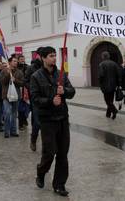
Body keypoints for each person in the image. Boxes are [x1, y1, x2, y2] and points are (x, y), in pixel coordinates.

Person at [30, 46, 75, 197]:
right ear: (42, 58)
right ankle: (41, 172)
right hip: (47, 120)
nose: (54, 58)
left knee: (63, 154)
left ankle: (59, 184)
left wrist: (65, 91)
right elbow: (35, 99)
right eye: (50, 56)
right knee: (49, 153)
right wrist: (50, 101)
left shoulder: (61, 74)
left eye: (55, 55)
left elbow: (72, 92)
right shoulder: (36, 76)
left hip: (62, 118)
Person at [0, 56, 25, 138]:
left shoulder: (19, 72)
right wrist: (8, 74)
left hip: (16, 95)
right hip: (6, 96)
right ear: (10, 62)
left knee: (14, 114)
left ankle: (13, 131)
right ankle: (6, 132)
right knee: (7, 113)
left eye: (16, 61)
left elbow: (22, 83)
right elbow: (2, 82)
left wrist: (15, 80)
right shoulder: (4, 71)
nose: (16, 62)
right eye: (14, 61)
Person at [26, 47, 44, 151]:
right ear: (38, 56)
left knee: (46, 122)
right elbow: (26, 81)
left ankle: (47, 142)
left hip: (47, 98)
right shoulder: (31, 68)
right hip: (36, 98)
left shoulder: (49, 67)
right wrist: (33, 89)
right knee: (37, 122)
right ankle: (33, 140)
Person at [98, 51, 122, 120]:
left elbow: (101, 75)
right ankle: (108, 114)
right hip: (113, 86)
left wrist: (100, 84)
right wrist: (118, 84)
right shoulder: (114, 64)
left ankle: (114, 111)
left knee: (107, 101)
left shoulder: (101, 64)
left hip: (105, 86)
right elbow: (118, 75)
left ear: (103, 56)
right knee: (110, 100)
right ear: (109, 56)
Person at [17, 55, 30, 130]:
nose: (22, 60)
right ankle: (20, 124)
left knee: (28, 107)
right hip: (20, 89)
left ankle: (25, 118)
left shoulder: (27, 67)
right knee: (20, 108)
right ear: (18, 60)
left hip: (27, 89)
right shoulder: (17, 68)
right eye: (21, 59)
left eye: (23, 59)